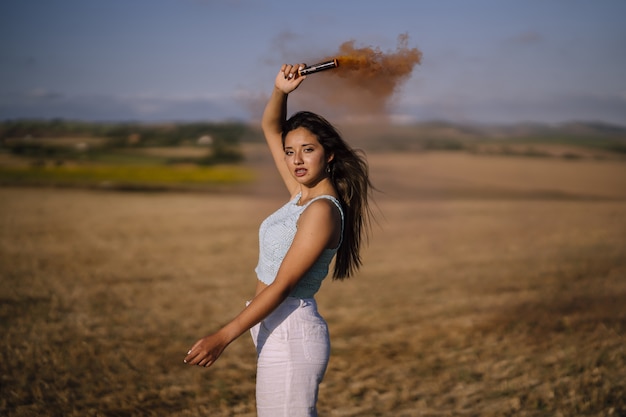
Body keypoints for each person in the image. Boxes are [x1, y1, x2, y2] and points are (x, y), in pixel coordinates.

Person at [184, 63, 373, 416]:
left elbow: (283, 284)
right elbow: (271, 127)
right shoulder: (300, 196)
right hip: (272, 326)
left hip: (292, 330)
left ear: (329, 154)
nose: (296, 160)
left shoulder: (322, 210)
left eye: (307, 150)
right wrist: (281, 91)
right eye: (289, 152)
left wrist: (222, 337)